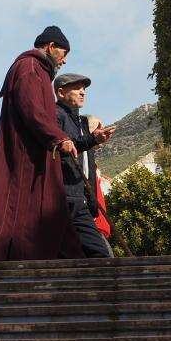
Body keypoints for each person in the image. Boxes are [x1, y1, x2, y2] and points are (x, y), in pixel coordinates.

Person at [0, 26, 85, 261]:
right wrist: (59, 138)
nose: (64, 60)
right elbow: (33, 110)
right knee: (27, 210)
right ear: (51, 47)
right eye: (63, 53)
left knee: (52, 212)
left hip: (39, 152)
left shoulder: (37, 70)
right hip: (26, 158)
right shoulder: (29, 67)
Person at [53, 74, 115, 257]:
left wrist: (93, 138)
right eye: (77, 88)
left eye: (84, 89)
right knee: (100, 254)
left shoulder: (79, 121)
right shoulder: (56, 115)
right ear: (61, 92)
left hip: (79, 199)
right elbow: (62, 149)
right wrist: (91, 139)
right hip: (66, 199)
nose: (82, 92)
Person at [86, 116, 113, 239]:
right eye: (98, 129)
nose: (102, 131)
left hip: (98, 224)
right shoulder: (83, 159)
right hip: (92, 224)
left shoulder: (92, 162)